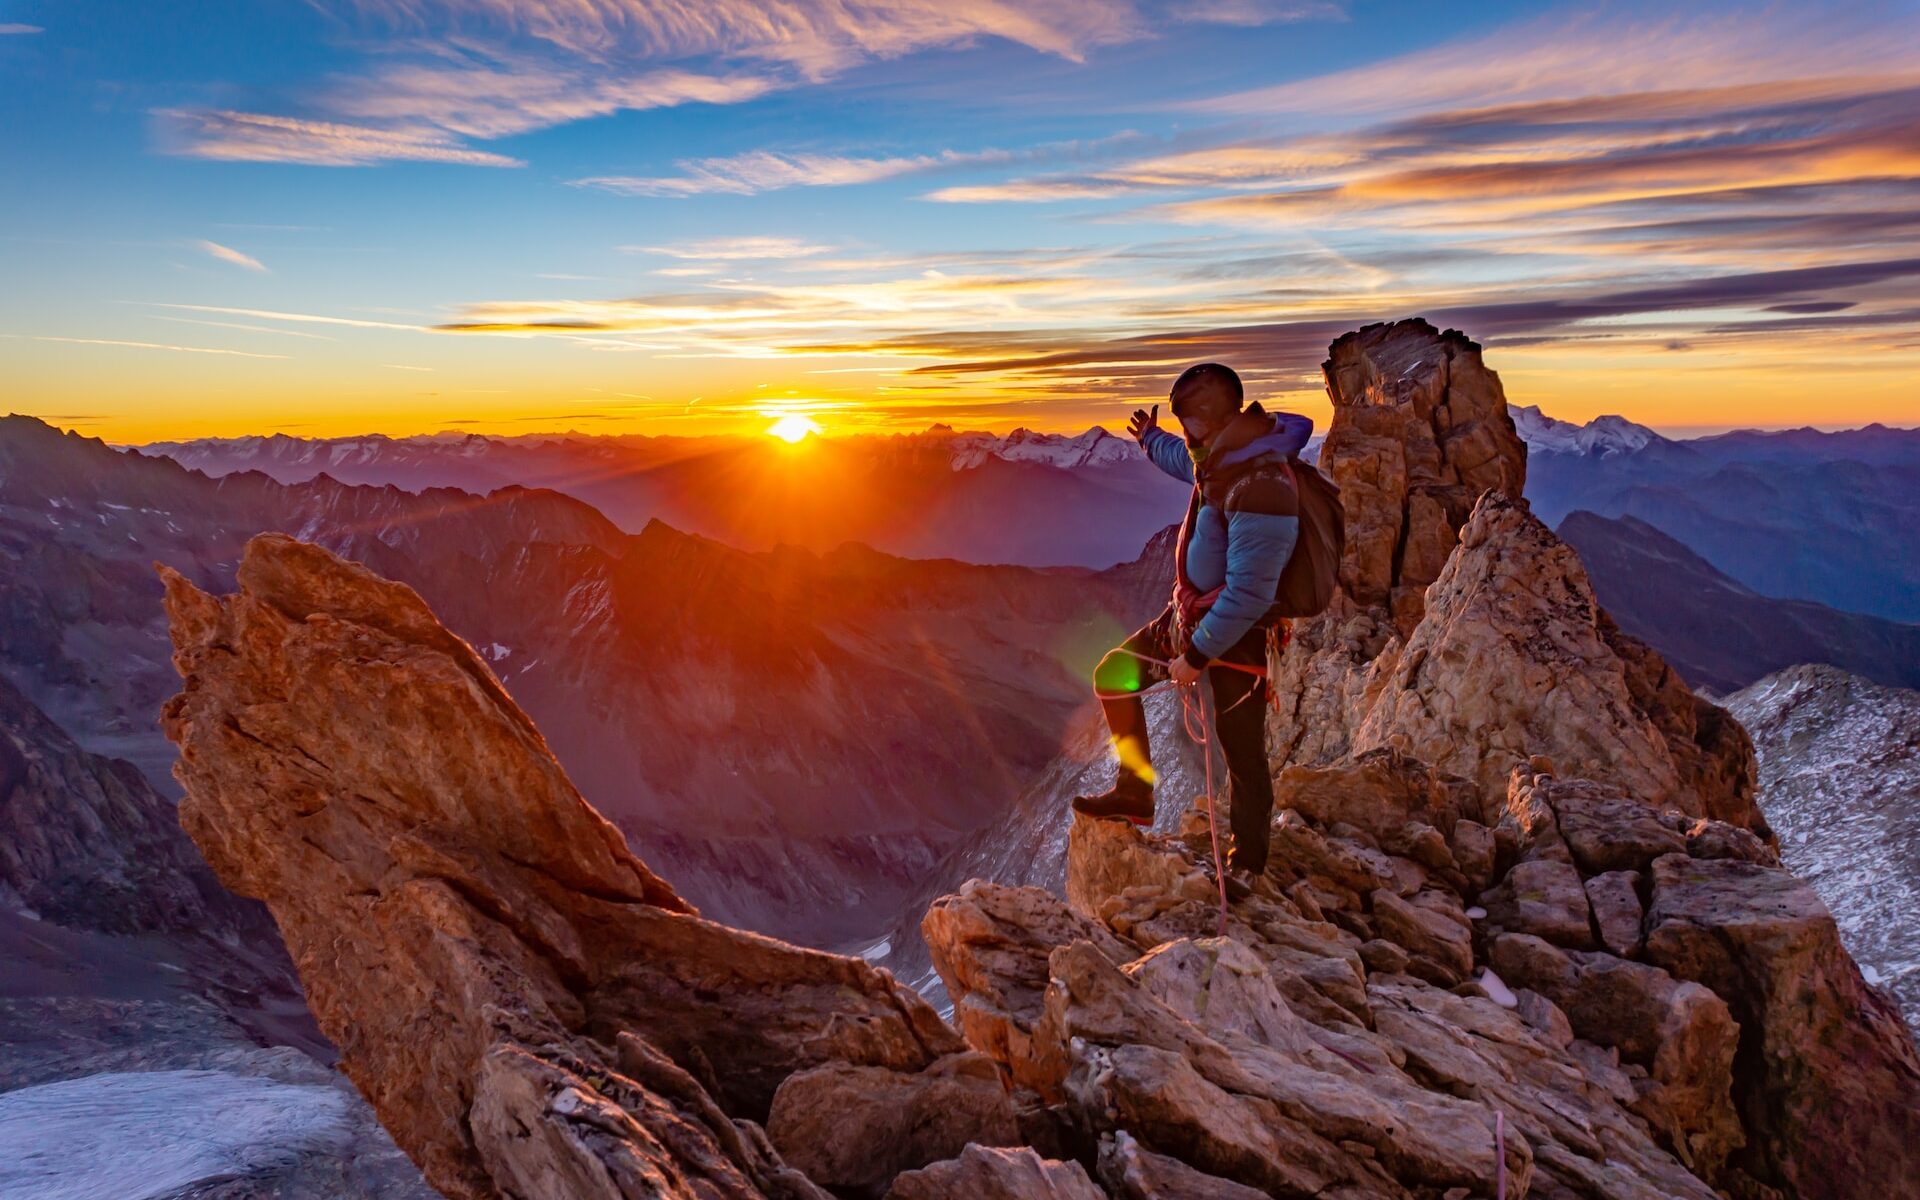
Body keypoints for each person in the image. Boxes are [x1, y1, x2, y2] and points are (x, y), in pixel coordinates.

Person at [1074, 362, 1311, 885]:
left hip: (1238, 635)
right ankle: (1136, 794)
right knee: (1114, 676)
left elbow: (1251, 594)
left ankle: (1247, 863)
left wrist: (1196, 657)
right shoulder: (1217, 460)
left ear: (1211, 419)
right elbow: (1179, 459)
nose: (1184, 434)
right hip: (1191, 614)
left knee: (1241, 747)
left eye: (1188, 422)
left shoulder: (1262, 484)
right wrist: (1148, 438)